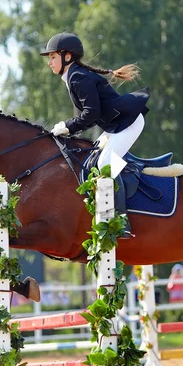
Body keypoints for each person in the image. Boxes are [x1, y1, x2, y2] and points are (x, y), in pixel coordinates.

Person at [40, 32, 151, 237]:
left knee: (105, 164)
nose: (49, 62)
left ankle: (118, 220)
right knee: (92, 158)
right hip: (115, 125)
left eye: (52, 57)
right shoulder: (74, 75)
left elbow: (92, 113)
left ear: (67, 56)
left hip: (129, 122)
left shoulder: (78, 77)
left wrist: (68, 126)